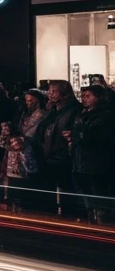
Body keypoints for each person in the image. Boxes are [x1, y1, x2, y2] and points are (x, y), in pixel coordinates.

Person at [68, 84, 112, 223]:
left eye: (88, 96)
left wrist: (77, 134)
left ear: (98, 98)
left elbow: (93, 135)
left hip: (96, 161)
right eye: (83, 96)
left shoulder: (105, 114)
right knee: (86, 193)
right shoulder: (82, 113)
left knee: (98, 193)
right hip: (81, 160)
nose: (84, 99)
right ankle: (91, 217)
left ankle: (103, 220)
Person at [36, 80, 80, 210]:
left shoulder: (73, 110)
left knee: (66, 190)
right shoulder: (53, 109)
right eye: (49, 91)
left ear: (64, 94)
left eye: (54, 91)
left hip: (62, 155)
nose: (50, 94)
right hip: (49, 154)